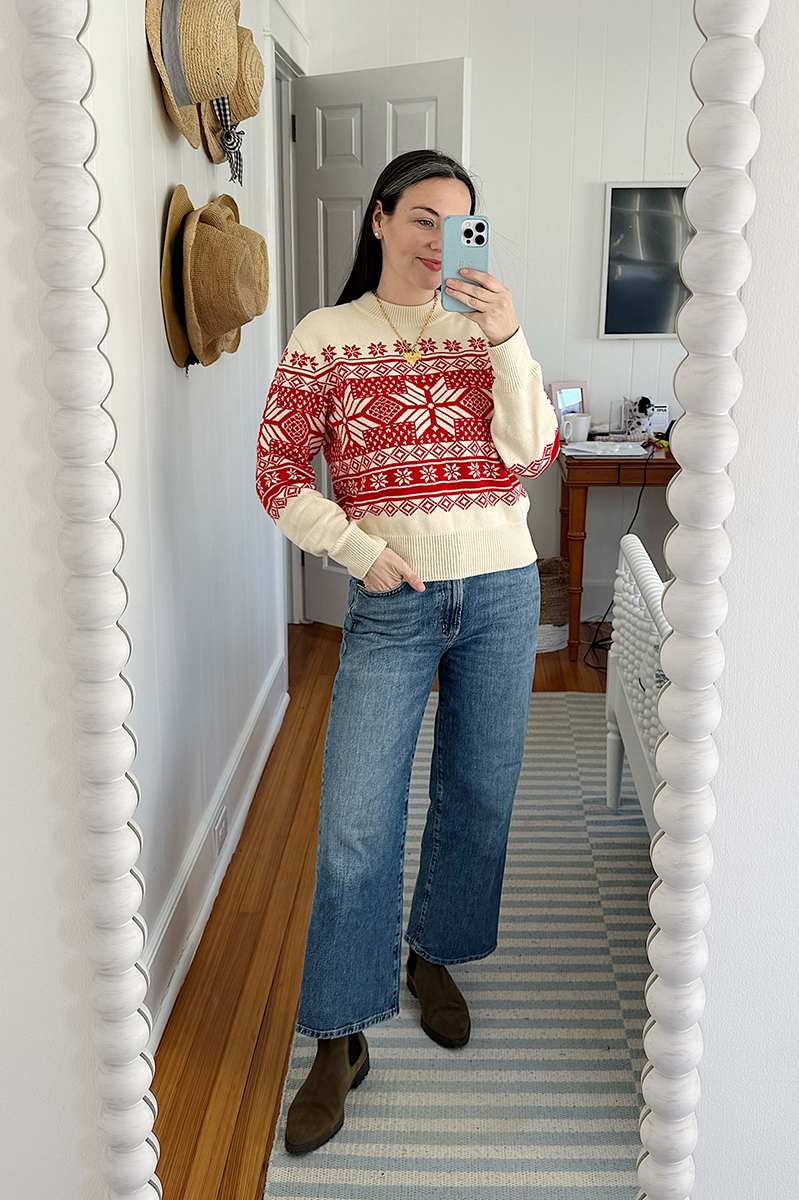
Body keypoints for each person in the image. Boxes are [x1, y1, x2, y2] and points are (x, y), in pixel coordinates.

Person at [255, 149, 560, 1156]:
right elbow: (275, 471)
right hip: (393, 598)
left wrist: (507, 339)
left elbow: (532, 452)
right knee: (352, 821)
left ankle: (435, 954)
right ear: (379, 221)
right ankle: (339, 1035)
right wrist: (354, 549)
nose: (440, 243)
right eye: (423, 219)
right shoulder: (325, 336)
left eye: (460, 225)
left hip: (505, 586)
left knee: (479, 792)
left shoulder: (484, 333)